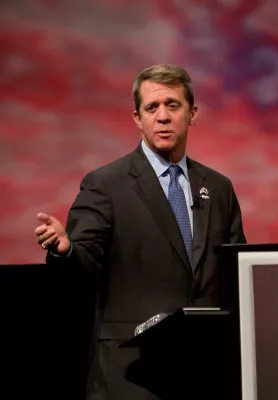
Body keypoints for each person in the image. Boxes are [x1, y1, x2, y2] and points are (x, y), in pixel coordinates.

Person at [34, 64, 247, 399]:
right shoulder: (105, 184)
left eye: (172, 105)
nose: (162, 117)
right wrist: (66, 250)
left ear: (193, 113)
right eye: (151, 108)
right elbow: (84, 265)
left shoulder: (218, 188)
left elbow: (237, 272)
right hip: (131, 376)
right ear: (137, 118)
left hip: (205, 373)